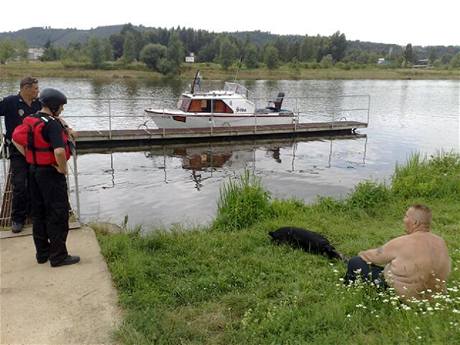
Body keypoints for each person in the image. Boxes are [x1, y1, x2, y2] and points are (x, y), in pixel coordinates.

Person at [12, 88, 80, 267]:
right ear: (54, 106)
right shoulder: (52, 125)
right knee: (57, 213)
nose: (62, 110)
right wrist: (62, 169)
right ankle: (58, 256)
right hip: (51, 173)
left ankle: (42, 253)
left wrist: (29, 156)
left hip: (34, 171)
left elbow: (15, 139)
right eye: (61, 107)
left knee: (39, 213)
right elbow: (58, 151)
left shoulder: (32, 119)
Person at [344, 204, 451, 300]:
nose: (404, 219)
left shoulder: (402, 242)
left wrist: (362, 253)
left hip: (404, 298)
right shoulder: (441, 242)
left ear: (415, 222)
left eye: (406, 216)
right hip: (435, 299)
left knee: (355, 262)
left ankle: (349, 292)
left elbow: (371, 257)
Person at [0, 77, 41, 232]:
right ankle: (17, 218)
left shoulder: (39, 103)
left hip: (36, 150)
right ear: (26, 88)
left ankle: (32, 212)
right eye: (36, 88)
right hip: (17, 150)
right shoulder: (10, 102)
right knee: (19, 184)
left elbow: (51, 117)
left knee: (34, 181)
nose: (38, 91)